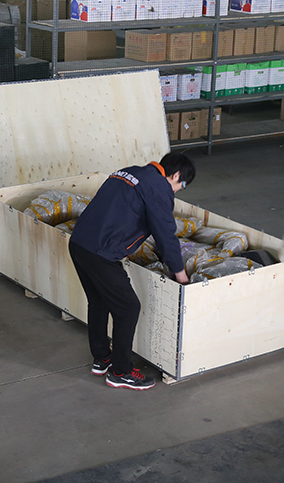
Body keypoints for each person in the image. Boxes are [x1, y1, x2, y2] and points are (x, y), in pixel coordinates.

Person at [68, 152, 196, 390]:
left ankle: (102, 358)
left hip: (79, 243)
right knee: (128, 308)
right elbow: (165, 234)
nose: (179, 190)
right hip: (100, 254)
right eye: (183, 185)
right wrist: (179, 273)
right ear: (176, 175)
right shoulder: (158, 188)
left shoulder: (128, 172)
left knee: (99, 301)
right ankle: (121, 372)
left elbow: (117, 210)